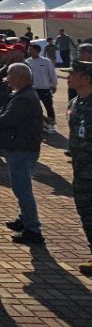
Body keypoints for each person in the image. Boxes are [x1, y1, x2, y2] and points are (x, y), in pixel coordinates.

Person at [0, 62, 45, 245]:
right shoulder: (21, 95)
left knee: (22, 189)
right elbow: (5, 111)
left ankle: (33, 228)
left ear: (20, 78)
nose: (7, 81)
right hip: (19, 147)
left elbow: (9, 118)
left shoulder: (24, 98)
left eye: (10, 77)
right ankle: (25, 219)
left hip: (22, 148)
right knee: (20, 187)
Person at [66, 59, 92, 276]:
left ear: (86, 78)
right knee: (86, 213)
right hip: (81, 170)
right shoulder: (75, 102)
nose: (69, 77)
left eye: (74, 73)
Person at [26, 43, 58, 132]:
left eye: (31, 49)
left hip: (45, 88)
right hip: (33, 89)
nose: (29, 51)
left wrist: (54, 84)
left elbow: (52, 73)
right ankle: (38, 125)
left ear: (37, 51)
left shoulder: (46, 61)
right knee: (35, 108)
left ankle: (51, 126)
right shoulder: (27, 62)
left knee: (49, 107)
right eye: (29, 49)